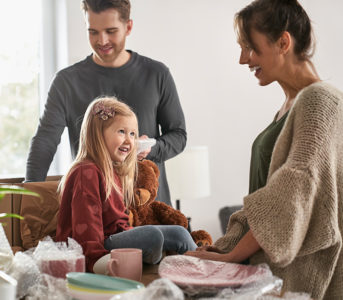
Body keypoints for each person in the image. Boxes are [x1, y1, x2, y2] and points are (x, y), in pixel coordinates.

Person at [185, 0, 343, 299]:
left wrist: (230, 258)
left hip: (293, 278)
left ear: (283, 42)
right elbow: (266, 196)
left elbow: (291, 191)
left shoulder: (319, 100)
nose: (243, 59)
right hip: (269, 274)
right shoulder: (290, 106)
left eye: (251, 47)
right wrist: (226, 246)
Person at [25, 0, 186, 206]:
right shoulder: (66, 82)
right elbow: (44, 142)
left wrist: (150, 148)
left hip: (150, 207)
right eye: (93, 32)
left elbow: (179, 136)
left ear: (128, 27)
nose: (102, 41)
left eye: (111, 31)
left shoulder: (157, 74)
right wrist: (27, 198)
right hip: (93, 210)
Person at [55, 97, 196, 273]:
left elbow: (121, 223)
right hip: (97, 250)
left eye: (132, 134)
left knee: (180, 233)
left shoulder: (112, 171)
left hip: (114, 240)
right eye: (122, 132)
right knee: (153, 236)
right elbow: (85, 228)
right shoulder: (86, 172)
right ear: (98, 134)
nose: (129, 141)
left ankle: (202, 270)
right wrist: (94, 261)